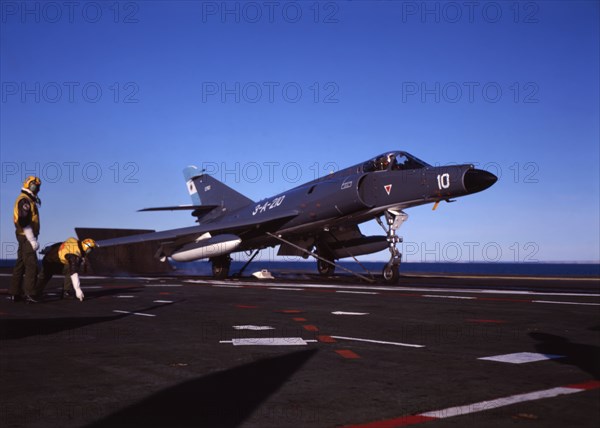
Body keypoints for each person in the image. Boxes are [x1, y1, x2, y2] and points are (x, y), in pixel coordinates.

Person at [9, 176, 42, 303]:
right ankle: (30, 293)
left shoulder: (26, 199)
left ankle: (15, 292)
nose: (37, 188)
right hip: (26, 236)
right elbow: (23, 221)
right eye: (35, 185)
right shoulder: (25, 200)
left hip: (22, 235)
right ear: (28, 185)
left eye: (38, 186)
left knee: (21, 263)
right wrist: (32, 239)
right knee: (31, 264)